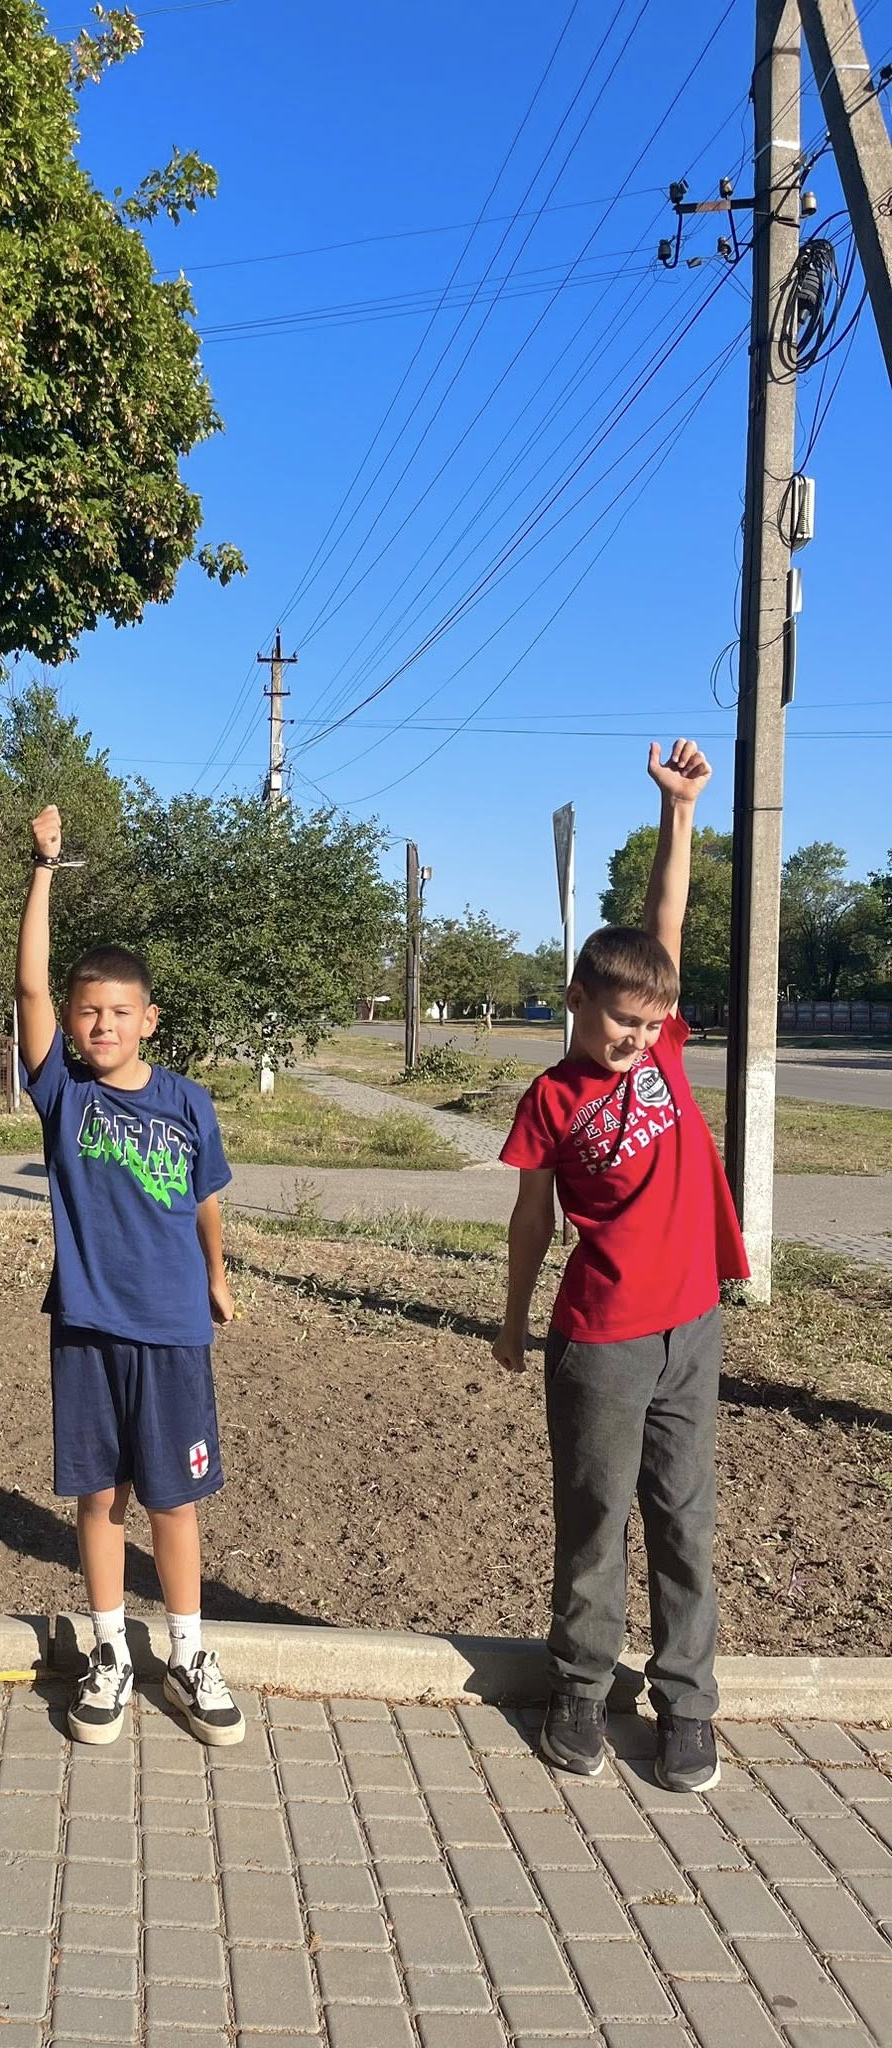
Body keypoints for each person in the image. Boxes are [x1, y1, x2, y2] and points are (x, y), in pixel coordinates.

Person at [493, 741, 747, 1796]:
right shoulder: (551, 1099)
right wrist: (513, 1319)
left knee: (685, 1518)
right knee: (595, 1519)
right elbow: (531, 1220)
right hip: (599, 1340)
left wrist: (679, 813)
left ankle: (687, 1703)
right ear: (576, 999)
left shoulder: (667, 1045)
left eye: (651, 1022)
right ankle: (581, 1689)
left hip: (691, 1326)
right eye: (618, 1019)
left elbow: (663, 926)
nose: (637, 1037)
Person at [16, 805, 243, 1747]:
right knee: (102, 1496)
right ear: (71, 1023)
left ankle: (188, 1652)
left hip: (174, 1326)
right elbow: (27, 983)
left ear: (149, 1019)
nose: (101, 1024)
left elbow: (204, 1199)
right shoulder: (62, 1094)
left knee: (172, 1499)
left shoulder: (189, 1102)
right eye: (87, 1012)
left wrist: (216, 1275)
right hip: (88, 1324)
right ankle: (110, 1650)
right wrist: (44, 869)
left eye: (119, 1012)